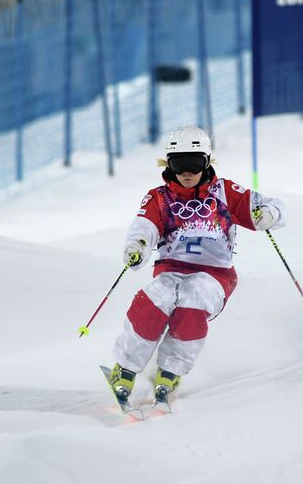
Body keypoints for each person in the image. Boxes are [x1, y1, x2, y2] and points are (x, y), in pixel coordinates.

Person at [107, 126, 286, 404]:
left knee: (194, 298)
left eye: (194, 163)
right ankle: (125, 368)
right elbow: (144, 226)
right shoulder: (160, 197)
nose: (186, 172)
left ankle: (170, 372)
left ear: (207, 162)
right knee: (156, 298)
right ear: (168, 164)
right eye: (179, 164)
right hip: (170, 270)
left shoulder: (224, 192)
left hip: (215, 275)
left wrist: (268, 214)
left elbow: (276, 205)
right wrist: (138, 246)